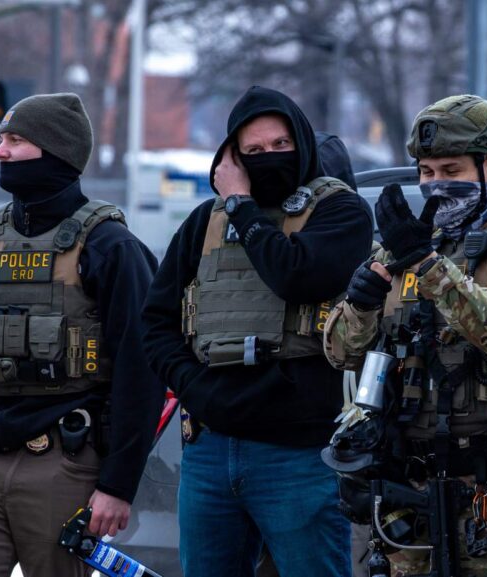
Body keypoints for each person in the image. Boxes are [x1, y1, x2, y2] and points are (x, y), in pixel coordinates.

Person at [323, 94, 487, 576]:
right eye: (427, 173)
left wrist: (427, 265)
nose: (436, 185)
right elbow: (339, 353)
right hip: (409, 485)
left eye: (451, 170)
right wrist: (363, 297)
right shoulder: (408, 247)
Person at [0, 93, 164, 576]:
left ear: (56, 152)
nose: (0, 153)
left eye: (16, 141)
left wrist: (117, 484)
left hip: (64, 465)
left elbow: (140, 374)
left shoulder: (111, 248)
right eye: (2, 140)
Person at [141, 85, 371, 577]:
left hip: (297, 455)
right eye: (255, 151)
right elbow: (155, 323)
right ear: (233, 156)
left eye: (280, 146)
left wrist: (242, 206)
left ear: (303, 144)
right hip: (209, 450)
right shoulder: (205, 222)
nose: (269, 158)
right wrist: (196, 388)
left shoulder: (340, 212)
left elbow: (295, 275)